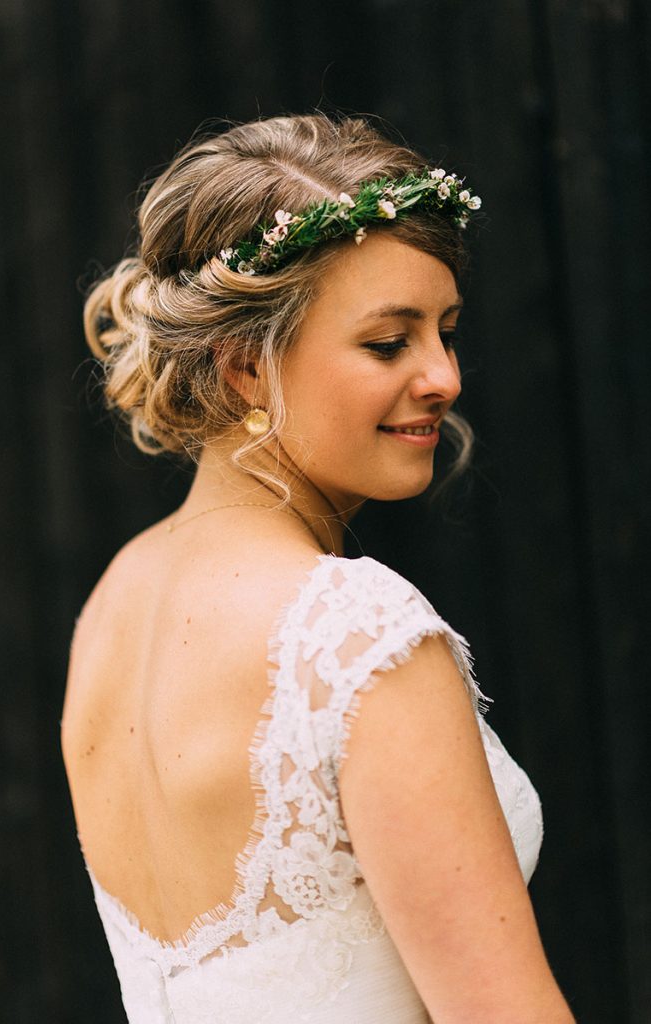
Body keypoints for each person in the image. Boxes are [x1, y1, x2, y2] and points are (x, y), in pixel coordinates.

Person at [62, 113, 575, 1024]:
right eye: (389, 342)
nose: (445, 376)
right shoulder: (353, 633)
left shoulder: (114, 603)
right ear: (245, 366)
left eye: (445, 331)